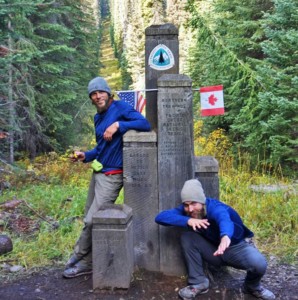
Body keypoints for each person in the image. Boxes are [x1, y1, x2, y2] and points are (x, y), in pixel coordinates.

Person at [63, 77, 151, 278]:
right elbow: (102, 148)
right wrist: (86, 155)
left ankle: (80, 258)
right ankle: (88, 258)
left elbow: (144, 123)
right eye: (93, 94)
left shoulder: (120, 107)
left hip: (113, 176)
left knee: (93, 220)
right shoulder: (98, 117)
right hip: (98, 173)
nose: (97, 96)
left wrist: (119, 125)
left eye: (100, 92)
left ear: (108, 93)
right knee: (89, 219)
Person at [155, 179, 275, 300]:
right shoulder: (187, 212)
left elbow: (224, 219)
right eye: (186, 205)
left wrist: (225, 236)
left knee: (259, 264)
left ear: (202, 201)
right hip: (213, 251)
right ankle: (198, 282)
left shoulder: (215, 208)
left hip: (235, 248)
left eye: (193, 203)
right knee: (188, 237)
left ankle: (252, 286)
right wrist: (188, 220)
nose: (190, 209)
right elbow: (160, 217)